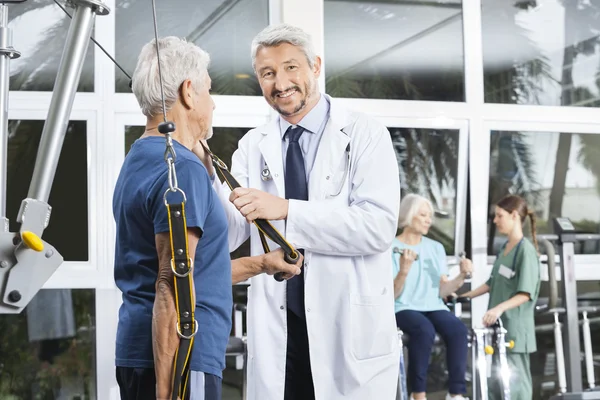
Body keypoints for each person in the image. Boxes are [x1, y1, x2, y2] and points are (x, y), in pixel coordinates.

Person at [197, 23, 401, 400]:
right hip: (282, 335)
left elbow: (378, 227)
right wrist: (205, 176)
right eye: (267, 73)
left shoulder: (365, 134)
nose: (280, 83)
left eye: (291, 67)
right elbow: (226, 233)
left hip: (349, 332)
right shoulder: (251, 146)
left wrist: (288, 210)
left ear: (315, 66)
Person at [113, 36, 302, 400]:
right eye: (209, 92)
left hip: (144, 353)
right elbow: (171, 284)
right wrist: (169, 392)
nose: (212, 104)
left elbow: (193, 273)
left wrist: (262, 263)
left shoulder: (138, 158)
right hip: (179, 360)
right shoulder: (181, 169)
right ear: (188, 92)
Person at [460, 194, 541, 400]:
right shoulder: (504, 249)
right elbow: (492, 283)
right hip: (499, 328)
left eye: (499, 216)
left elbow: (525, 293)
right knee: (500, 383)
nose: (495, 221)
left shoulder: (526, 252)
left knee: (517, 386)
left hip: (516, 329)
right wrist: (462, 296)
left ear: (514, 215)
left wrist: (498, 309)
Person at [392, 194, 472, 400]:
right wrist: (404, 270)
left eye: (430, 216)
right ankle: (417, 394)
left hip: (433, 305)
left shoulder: (435, 248)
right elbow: (392, 294)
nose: (429, 220)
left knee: (458, 330)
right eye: (423, 215)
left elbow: (443, 290)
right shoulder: (390, 247)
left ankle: (456, 394)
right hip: (403, 306)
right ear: (409, 216)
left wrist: (462, 276)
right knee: (424, 330)